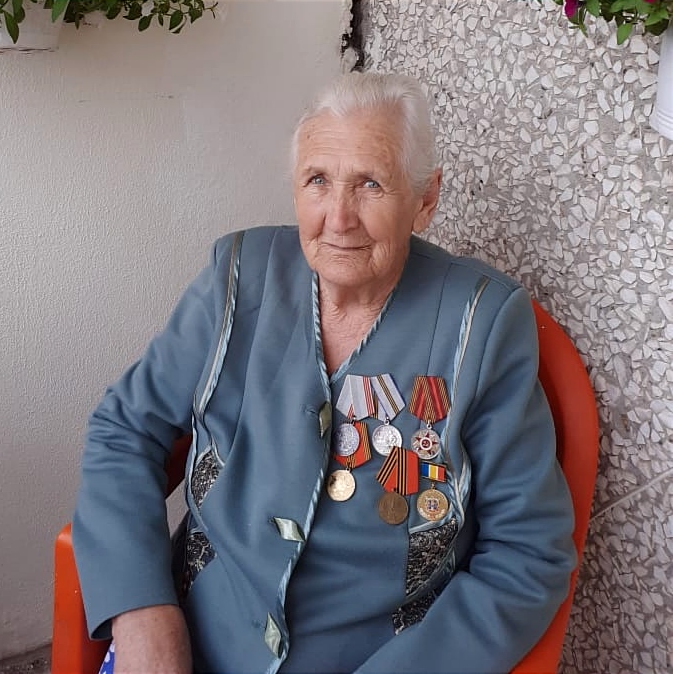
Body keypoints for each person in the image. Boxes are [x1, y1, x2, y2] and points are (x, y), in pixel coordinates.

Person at [73, 71, 576, 674]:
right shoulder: (237, 277)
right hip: (195, 641)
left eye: (370, 183)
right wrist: (142, 614)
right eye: (318, 180)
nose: (338, 217)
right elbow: (124, 431)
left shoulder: (482, 324)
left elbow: (528, 553)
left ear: (425, 199)